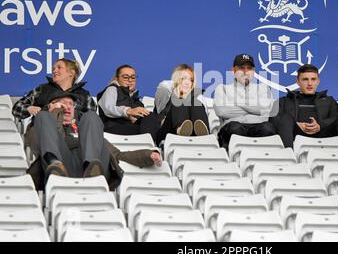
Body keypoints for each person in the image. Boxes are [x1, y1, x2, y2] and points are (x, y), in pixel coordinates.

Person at [29, 90, 162, 187]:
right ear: (51, 106)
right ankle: (55, 166)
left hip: (94, 170)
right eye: (61, 103)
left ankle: (91, 167)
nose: (66, 107)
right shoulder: (41, 125)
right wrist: (54, 115)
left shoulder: (86, 129)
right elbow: (39, 146)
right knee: (43, 116)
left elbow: (117, 155)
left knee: (91, 116)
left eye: (70, 104)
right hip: (62, 167)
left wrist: (148, 155)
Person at [213, 53, 276, 149]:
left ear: (254, 71)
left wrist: (236, 103)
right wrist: (254, 108)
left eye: (249, 68)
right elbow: (222, 111)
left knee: (268, 128)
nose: (246, 71)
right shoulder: (222, 88)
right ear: (233, 70)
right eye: (242, 68)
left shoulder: (263, 88)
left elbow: (266, 110)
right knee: (235, 128)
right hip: (233, 127)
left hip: (260, 126)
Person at [271, 64, 338, 148]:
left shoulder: (329, 100)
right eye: (305, 79)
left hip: (323, 134)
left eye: (313, 79)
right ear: (297, 82)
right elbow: (272, 120)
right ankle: (288, 155)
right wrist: (295, 124)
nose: (310, 83)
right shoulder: (283, 101)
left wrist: (320, 125)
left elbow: (337, 117)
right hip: (295, 134)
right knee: (285, 117)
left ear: (318, 81)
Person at [97, 64, 160, 139]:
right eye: (126, 77)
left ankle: (151, 145)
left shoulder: (137, 100)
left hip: (132, 128)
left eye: (133, 78)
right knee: (149, 130)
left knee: (150, 116)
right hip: (113, 129)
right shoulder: (112, 89)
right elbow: (108, 108)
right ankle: (149, 146)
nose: (130, 80)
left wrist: (135, 118)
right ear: (116, 79)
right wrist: (128, 111)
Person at [154, 64, 210, 145]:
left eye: (191, 80)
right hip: (168, 134)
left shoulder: (198, 99)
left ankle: (203, 135)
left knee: (195, 103)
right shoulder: (167, 94)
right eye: (183, 78)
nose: (187, 82)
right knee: (179, 102)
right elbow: (164, 86)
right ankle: (180, 129)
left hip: (194, 136)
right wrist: (177, 88)